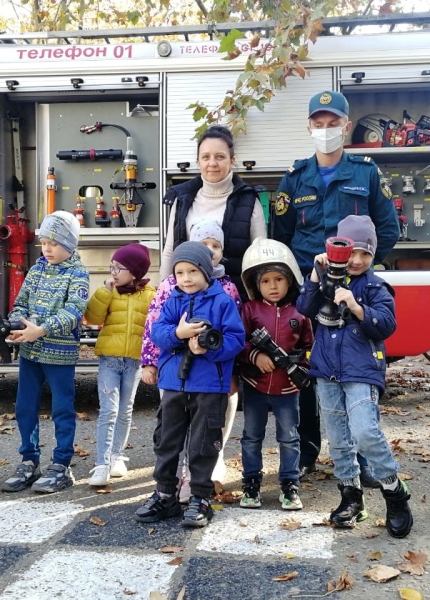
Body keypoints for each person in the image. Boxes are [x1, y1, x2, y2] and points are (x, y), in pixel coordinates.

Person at [271, 90, 399, 482]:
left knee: (356, 370)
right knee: (310, 372)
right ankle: (308, 451)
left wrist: (361, 273)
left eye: (333, 124)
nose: (326, 130)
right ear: (309, 127)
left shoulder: (366, 173)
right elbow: (282, 236)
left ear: (346, 126)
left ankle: (363, 460)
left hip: (353, 292)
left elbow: (388, 229)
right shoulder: (293, 179)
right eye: (318, 124)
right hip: (310, 291)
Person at [296, 215, 413, 538]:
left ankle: (394, 491)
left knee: (364, 432)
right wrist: (315, 274)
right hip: (326, 369)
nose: (358, 261)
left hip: (362, 368)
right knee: (338, 440)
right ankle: (351, 496)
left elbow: (386, 325)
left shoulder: (376, 286)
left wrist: (357, 306)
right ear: (339, 251)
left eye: (366, 254)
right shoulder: (325, 278)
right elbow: (304, 308)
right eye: (352, 253)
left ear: (374, 256)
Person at [135, 241, 244, 528]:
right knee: (167, 440)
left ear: (206, 272)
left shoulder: (222, 301)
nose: (186, 278)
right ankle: (165, 494)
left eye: (193, 271)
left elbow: (235, 339)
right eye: (180, 272)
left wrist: (209, 349)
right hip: (173, 383)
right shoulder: (173, 299)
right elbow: (158, 332)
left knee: (203, 443)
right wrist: (179, 333)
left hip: (209, 385)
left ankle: (199, 497)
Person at [0, 210, 89, 494]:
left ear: (70, 244)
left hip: (59, 355)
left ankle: (61, 465)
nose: (47, 249)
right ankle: (29, 459)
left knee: (62, 408)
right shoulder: (36, 270)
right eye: (44, 243)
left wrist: (42, 329)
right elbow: (21, 303)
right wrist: (17, 325)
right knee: (25, 407)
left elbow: (74, 311)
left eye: (54, 243)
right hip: (30, 353)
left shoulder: (78, 273)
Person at [237, 238, 313, 511]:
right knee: (251, 436)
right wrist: (255, 356)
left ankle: (290, 485)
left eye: (278, 279)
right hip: (255, 386)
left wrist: (300, 369)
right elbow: (239, 341)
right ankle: (251, 484)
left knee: (290, 437)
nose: (272, 286)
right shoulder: (249, 310)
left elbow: (309, 348)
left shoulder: (301, 313)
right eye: (266, 280)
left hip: (288, 389)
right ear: (256, 284)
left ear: (290, 279)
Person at [159, 124, 266, 300]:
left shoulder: (248, 200)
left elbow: (259, 256)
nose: (212, 163)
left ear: (232, 160)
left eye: (220, 157)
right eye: (206, 157)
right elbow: (170, 250)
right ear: (198, 161)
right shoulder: (182, 199)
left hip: (233, 301)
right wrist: (163, 296)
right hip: (186, 301)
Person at [84, 243, 155, 487]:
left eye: (119, 267)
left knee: (125, 410)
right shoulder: (109, 291)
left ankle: (116, 456)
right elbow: (92, 318)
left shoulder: (150, 295)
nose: (113, 271)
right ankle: (102, 463)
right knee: (109, 410)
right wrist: (104, 291)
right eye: (112, 266)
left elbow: (153, 329)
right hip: (109, 360)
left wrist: (150, 361)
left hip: (135, 361)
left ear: (135, 272)